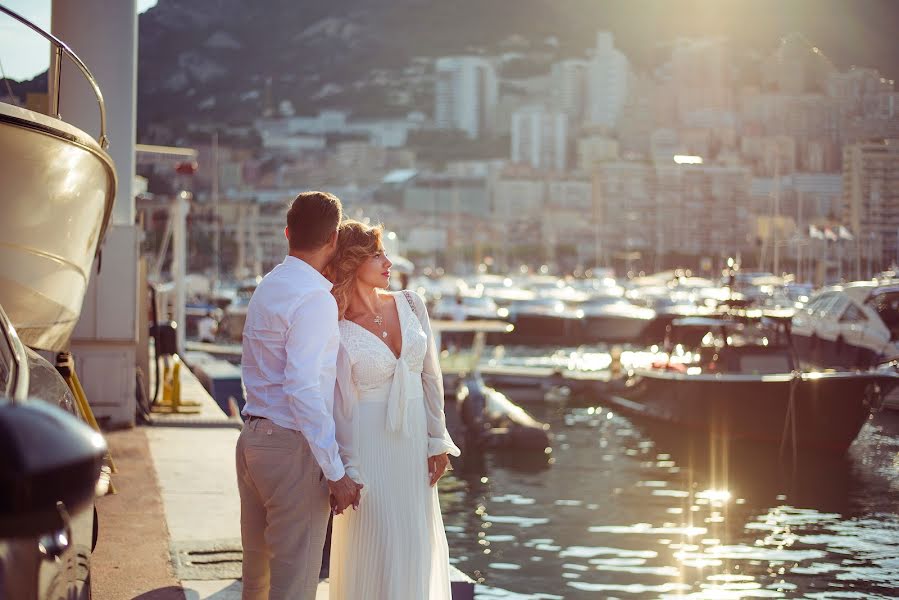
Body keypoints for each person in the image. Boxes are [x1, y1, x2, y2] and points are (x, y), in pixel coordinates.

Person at [236, 191, 363, 600]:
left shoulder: (269, 285)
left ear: (288, 233)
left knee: (256, 581)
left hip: (252, 440)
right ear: (332, 241)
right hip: (291, 450)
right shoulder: (314, 299)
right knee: (293, 585)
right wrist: (335, 472)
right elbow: (304, 389)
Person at [326, 220, 461, 600]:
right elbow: (340, 405)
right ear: (353, 262)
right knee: (375, 543)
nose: (388, 261)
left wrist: (438, 440)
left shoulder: (411, 303)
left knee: (415, 541)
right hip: (368, 449)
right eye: (376, 254)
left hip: (414, 442)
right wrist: (346, 469)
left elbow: (431, 379)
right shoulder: (337, 326)